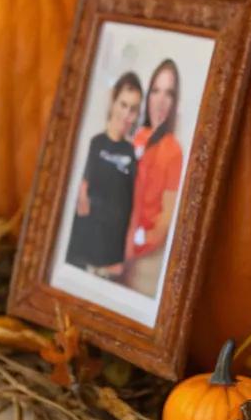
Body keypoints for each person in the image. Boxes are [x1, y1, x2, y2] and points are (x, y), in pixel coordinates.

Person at [65, 72, 142, 277]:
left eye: (133, 109)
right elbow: (79, 189)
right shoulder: (93, 143)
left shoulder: (133, 153)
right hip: (82, 250)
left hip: (112, 260)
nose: (127, 114)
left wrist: (124, 254)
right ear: (113, 103)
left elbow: (132, 206)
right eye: (123, 105)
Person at [123, 59, 183, 299]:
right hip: (114, 248)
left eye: (168, 93)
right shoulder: (135, 137)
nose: (160, 100)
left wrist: (136, 242)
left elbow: (166, 219)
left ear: (174, 101)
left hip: (141, 258)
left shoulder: (173, 151)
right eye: (155, 90)